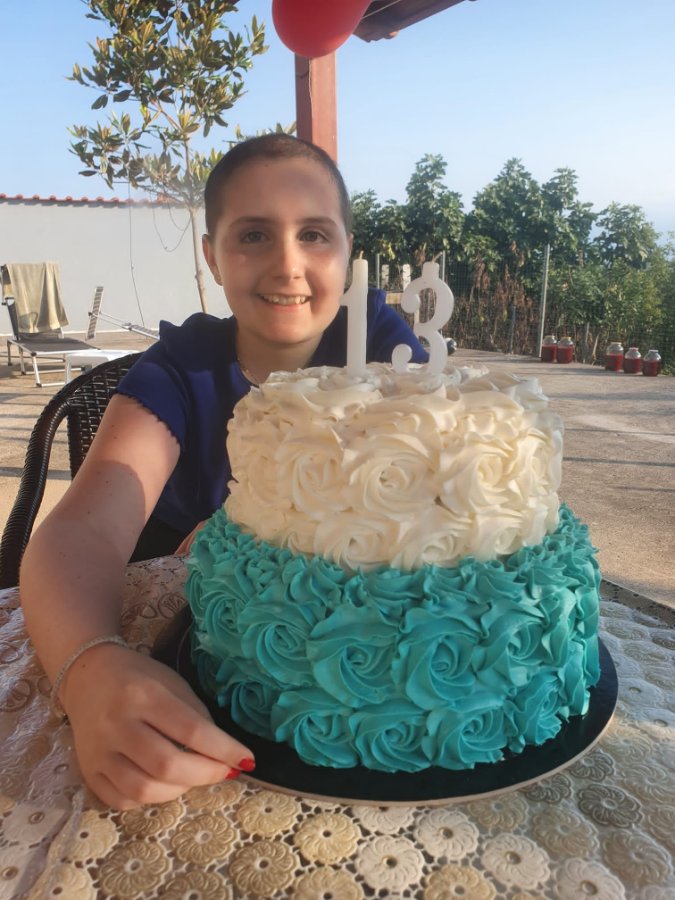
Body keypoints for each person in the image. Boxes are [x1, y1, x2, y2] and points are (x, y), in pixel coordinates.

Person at [19, 134, 427, 810]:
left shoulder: (377, 344)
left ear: (346, 251)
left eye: (314, 235)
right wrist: (90, 669)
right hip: (196, 654)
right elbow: (79, 534)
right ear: (212, 256)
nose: (288, 265)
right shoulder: (183, 369)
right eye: (254, 235)